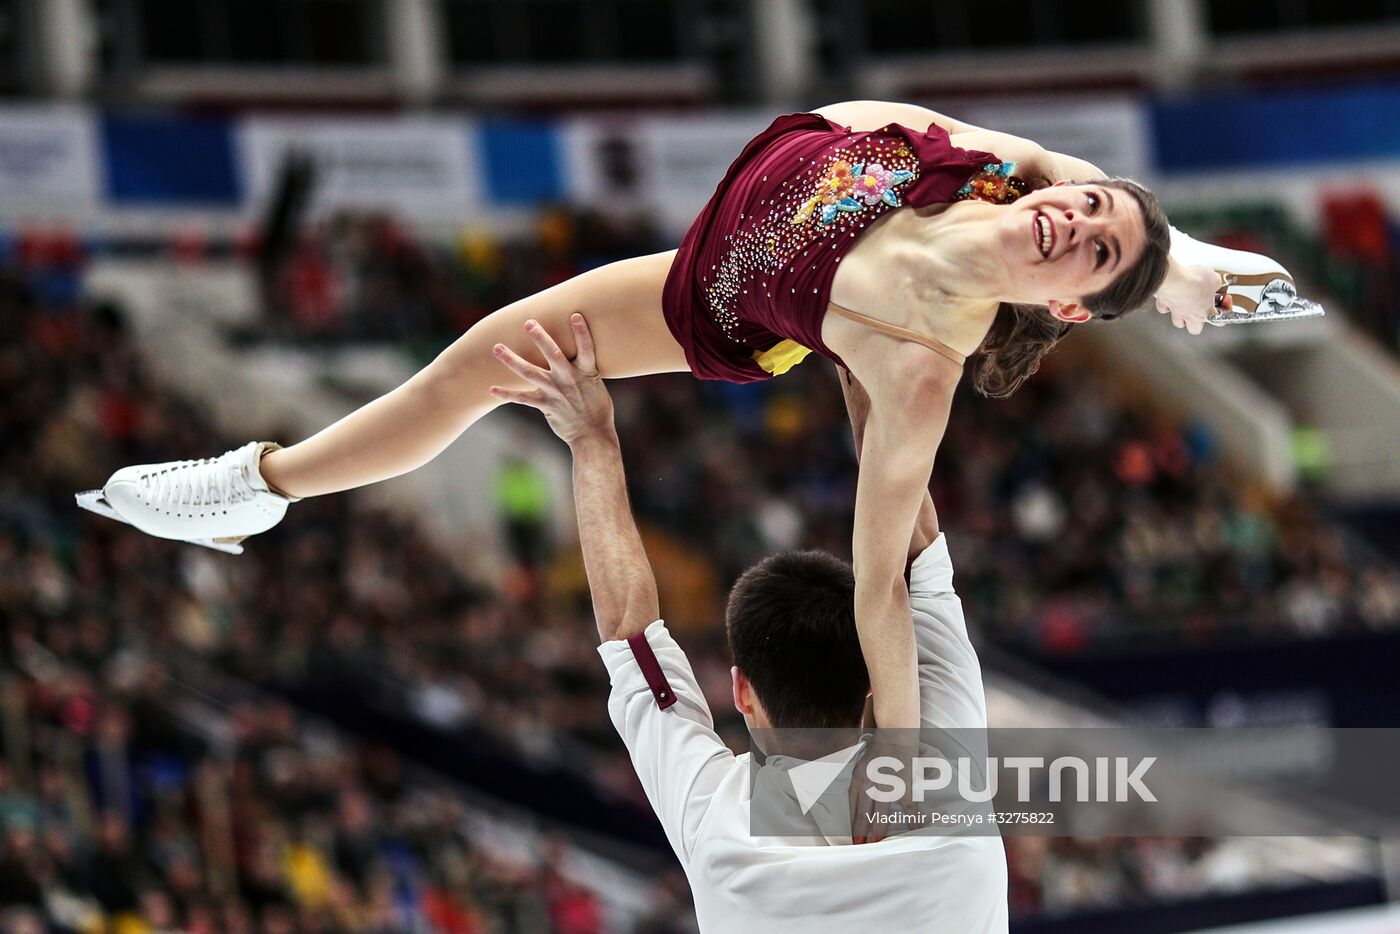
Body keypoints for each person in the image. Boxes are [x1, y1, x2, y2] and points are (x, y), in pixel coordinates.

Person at [79, 100, 1277, 732]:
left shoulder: (917, 367)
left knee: (466, 373)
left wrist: (902, 769)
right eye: (1091, 207)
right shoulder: (1013, 173)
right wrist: (1171, 257)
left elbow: (878, 586)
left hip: (708, 293)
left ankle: (257, 487)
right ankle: (1179, 263)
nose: (1076, 220)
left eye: (1095, 249)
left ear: (1064, 306)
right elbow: (1089, 201)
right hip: (778, 183)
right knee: (1131, 229)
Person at [497, 316, 1007, 931]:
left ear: (741, 690)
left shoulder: (718, 821)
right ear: (874, 673)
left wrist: (590, 437)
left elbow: (632, 634)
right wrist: (858, 341)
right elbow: (912, 548)